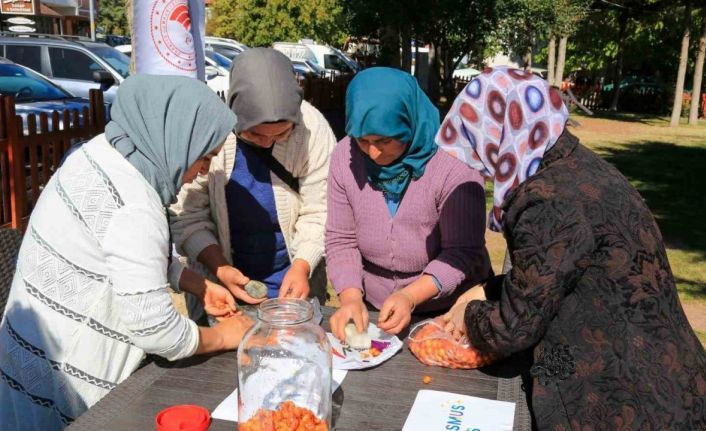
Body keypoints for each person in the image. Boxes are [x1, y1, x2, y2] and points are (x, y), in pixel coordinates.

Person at [438, 67, 706, 430]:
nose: (483, 168)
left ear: (500, 134)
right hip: (667, 373)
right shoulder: (576, 166)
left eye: (480, 147)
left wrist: (470, 315)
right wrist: (489, 288)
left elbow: (514, 328)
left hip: (628, 397)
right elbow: (556, 274)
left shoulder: (547, 201)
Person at [0, 75, 253, 431]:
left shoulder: (101, 152)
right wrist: (226, 336)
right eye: (205, 156)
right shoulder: (135, 204)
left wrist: (199, 285)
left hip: (27, 356)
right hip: (66, 383)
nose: (205, 169)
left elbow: (119, 254)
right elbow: (156, 329)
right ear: (176, 138)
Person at [326, 67, 491, 340]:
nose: (373, 152)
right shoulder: (345, 156)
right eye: (363, 140)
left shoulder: (454, 162)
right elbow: (341, 239)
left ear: (409, 122)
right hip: (374, 307)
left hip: (449, 311)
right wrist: (351, 298)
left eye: (384, 140)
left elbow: (461, 252)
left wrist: (410, 296)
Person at [170, 48, 336, 311]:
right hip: (221, 284)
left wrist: (303, 264)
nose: (268, 142)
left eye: (281, 134)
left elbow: (321, 209)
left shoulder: (312, 129)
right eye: (255, 136)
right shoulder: (208, 130)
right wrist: (220, 268)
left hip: (293, 280)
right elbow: (187, 215)